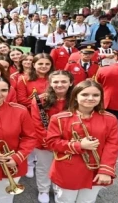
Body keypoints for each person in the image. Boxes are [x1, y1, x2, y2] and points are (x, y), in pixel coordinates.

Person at [46, 80, 118, 203]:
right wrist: (79, 145)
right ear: (75, 96)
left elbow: (113, 145)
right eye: (85, 94)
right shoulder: (59, 118)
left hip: (95, 169)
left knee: (87, 201)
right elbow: (52, 143)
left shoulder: (110, 119)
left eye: (96, 95)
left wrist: (106, 170)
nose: (90, 98)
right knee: (65, 200)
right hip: (68, 169)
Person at [31, 70, 74, 203]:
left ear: (71, 83)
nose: (59, 84)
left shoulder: (76, 99)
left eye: (64, 81)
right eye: (56, 81)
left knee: (63, 167)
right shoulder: (40, 99)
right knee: (44, 166)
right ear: (50, 83)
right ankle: (43, 189)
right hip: (44, 141)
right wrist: (49, 142)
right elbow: (37, 123)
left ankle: (58, 189)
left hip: (68, 141)